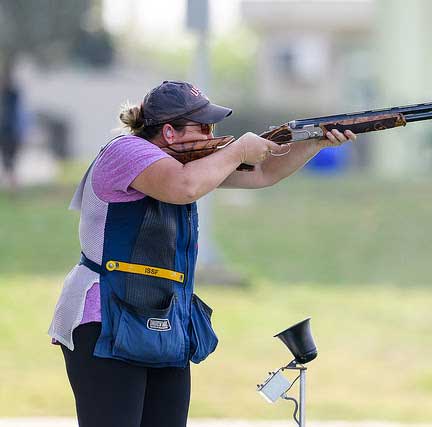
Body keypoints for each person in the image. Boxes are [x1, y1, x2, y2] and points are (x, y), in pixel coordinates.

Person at [48, 80, 356, 427]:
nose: (211, 134)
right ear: (168, 131)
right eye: (203, 126)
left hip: (166, 318)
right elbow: (183, 186)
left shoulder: (189, 162)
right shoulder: (125, 152)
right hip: (104, 318)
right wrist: (237, 150)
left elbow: (264, 173)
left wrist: (315, 140)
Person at [0, 62, 22, 192]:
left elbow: (14, 117)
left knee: (10, 162)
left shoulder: (12, 95)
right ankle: (11, 187)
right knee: (7, 162)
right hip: (5, 133)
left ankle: (13, 187)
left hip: (10, 134)